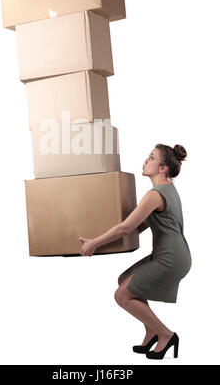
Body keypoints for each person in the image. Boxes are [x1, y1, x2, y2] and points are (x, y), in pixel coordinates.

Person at [79, 144, 192, 360]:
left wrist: (95, 243)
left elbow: (125, 228)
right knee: (124, 280)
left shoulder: (155, 194)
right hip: (171, 255)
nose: (146, 160)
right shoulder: (167, 189)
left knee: (122, 295)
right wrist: (108, 237)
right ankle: (151, 330)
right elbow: (140, 225)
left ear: (163, 168)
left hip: (171, 259)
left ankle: (166, 334)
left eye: (152, 157)